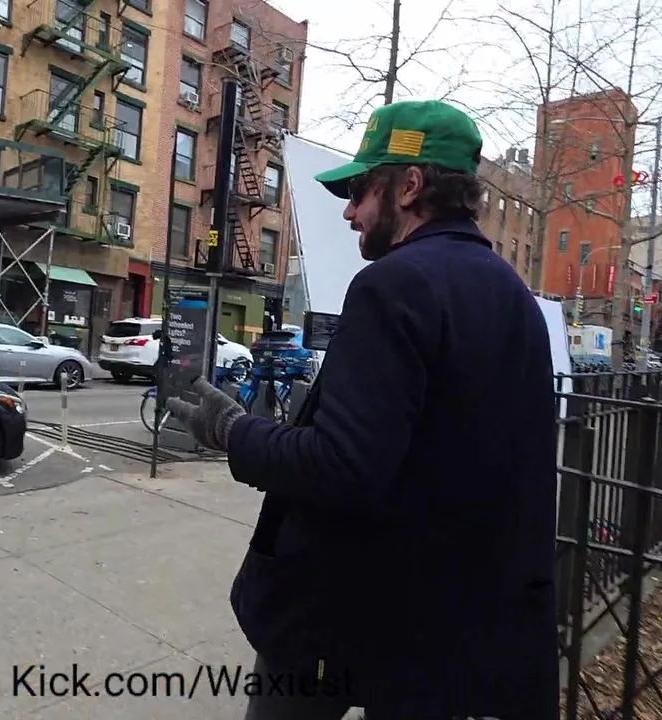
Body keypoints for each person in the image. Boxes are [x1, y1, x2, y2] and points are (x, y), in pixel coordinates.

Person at [166, 100, 559, 720]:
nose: (349, 212)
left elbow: (340, 465)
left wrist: (232, 430)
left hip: (349, 612)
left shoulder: (394, 284)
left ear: (410, 186)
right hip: (455, 627)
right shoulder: (516, 298)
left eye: (359, 191)